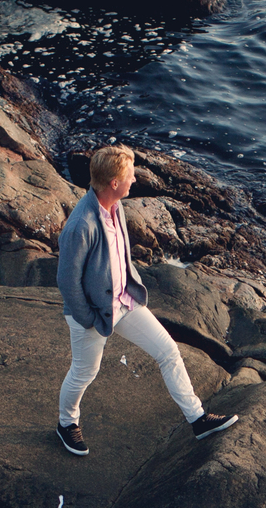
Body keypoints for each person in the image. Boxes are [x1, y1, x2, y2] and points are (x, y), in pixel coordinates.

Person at [53, 144, 237, 456]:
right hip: (94, 313)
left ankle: (198, 418)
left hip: (124, 301)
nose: (134, 180)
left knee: (168, 351)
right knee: (85, 372)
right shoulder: (80, 225)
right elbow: (66, 281)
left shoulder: (116, 206)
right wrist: (89, 319)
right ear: (114, 183)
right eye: (129, 176)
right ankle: (66, 423)